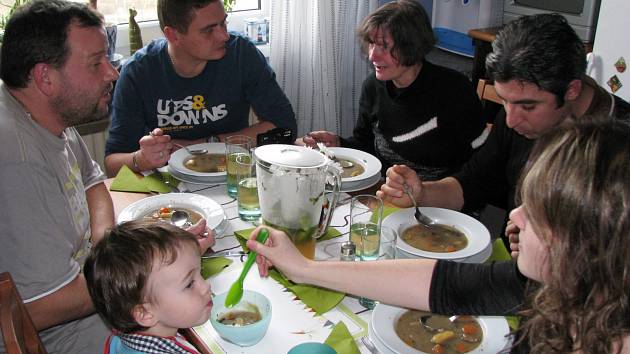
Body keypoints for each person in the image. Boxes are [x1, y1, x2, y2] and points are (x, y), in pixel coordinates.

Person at [248, 120, 630, 353]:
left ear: (589, 241)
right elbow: (443, 283)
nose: (514, 217)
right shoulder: (555, 287)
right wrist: (303, 268)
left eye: (538, 213)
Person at [377, 14, 630, 253]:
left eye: (527, 106)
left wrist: (547, 240)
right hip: (514, 264)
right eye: (505, 101)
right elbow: (474, 181)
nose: (511, 119)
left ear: (572, 90)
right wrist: (422, 193)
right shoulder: (517, 119)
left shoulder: (619, 142)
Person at [0, 1, 117, 352]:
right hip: (54, 336)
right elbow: (40, 307)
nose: (111, 72)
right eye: (96, 63)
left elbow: (93, 183)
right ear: (45, 78)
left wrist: (105, 248)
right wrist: (136, 273)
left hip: (84, 290)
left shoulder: (45, 114)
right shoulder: (17, 159)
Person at [297, 0, 486, 180]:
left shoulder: (454, 90)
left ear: (412, 46)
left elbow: (480, 164)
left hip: (440, 204)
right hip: (388, 192)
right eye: (372, 43)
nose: (372, 56)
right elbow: (365, 144)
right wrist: (339, 143)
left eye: (384, 47)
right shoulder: (373, 87)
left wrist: (434, 193)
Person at [104, 0, 297, 177]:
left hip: (231, 177)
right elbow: (112, 164)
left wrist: (204, 145)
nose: (224, 35)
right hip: (168, 188)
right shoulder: (138, 72)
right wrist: (142, 159)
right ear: (173, 35)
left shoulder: (240, 54)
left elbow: (286, 128)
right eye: (208, 30)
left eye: (223, 23)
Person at [85, 221, 212, 354]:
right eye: (189, 284)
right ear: (145, 313)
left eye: (200, 272)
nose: (206, 286)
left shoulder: (126, 338)